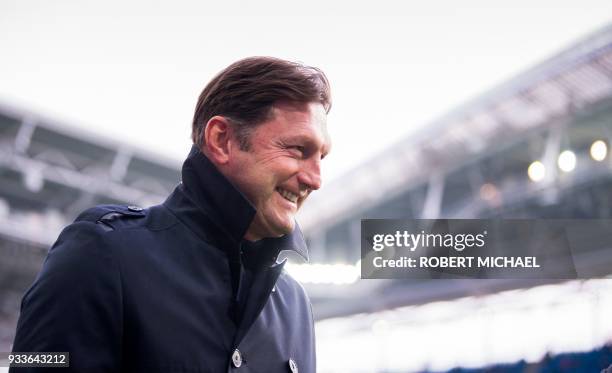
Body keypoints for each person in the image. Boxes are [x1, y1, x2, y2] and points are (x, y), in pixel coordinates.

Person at [11, 56, 332, 373]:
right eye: (297, 150)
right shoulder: (101, 252)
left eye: (321, 156)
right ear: (222, 140)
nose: (315, 179)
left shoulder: (296, 306)